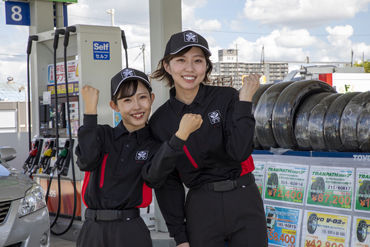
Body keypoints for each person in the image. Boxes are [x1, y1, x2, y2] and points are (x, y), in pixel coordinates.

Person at [144, 30, 268, 247]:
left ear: (206, 66)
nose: (190, 68)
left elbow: (240, 151)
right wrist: (179, 236)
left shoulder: (227, 97)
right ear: (167, 66)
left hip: (244, 197)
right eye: (181, 60)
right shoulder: (160, 121)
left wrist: (245, 101)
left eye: (198, 61)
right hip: (201, 205)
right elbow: (167, 182)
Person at [75, 68, 158, 247]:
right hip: (93, 230)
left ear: (151, 99)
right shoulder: (102, 134)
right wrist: (90, 111)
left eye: (142, 97)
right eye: (127, 100)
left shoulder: (154, 144)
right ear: (114, 106)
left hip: (130, 229)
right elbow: (86, 161)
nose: (136, 106)